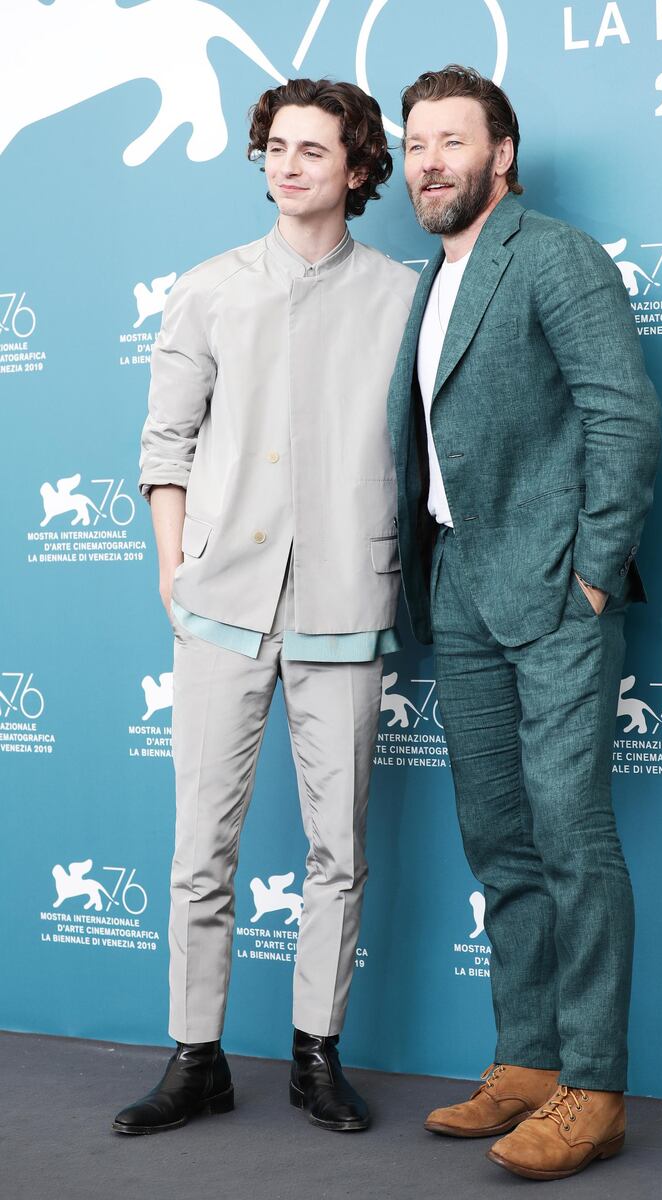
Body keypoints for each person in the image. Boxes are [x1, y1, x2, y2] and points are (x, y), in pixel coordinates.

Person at [113, 78, 417, 1136]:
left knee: (338, 844)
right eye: (273, 148)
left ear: (359, 168)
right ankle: (196, 1058)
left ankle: (313, 1057)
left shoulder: (403, 295)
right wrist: (173, 565)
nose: (287, 166)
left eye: (311, 150)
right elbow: (166, 443)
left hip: (344, 599)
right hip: (221, 603)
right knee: (202, 847)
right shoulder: (206, 288)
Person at [387, 65, 661, 1180]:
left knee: (568, 836)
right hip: (457, 588)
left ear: (500, 154)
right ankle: (528, 1063)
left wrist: (589, 576)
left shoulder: (550, 253)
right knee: (497, 837)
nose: (429, 163)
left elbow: (621, 415)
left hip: (552, 592)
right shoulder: (427, 281)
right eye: (414, 146)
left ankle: (592, 1090)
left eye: (451, 141)